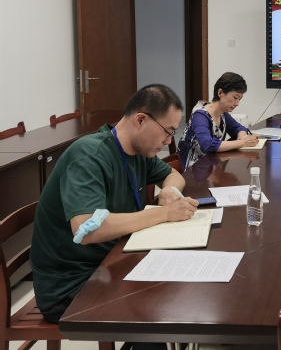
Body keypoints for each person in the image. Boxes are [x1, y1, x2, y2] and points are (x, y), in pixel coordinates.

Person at [30, 84, 199, 323]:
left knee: (181, 283)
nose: (168, 141)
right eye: (167, 132)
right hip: (71, 283)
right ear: (140, 120)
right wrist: (164, 213)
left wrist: (169, 191)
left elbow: (174, 175)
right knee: (158, 302)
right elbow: (87, 228)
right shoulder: (90, 155)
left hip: (112, 260)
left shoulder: (138, 152)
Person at [178, 72, 258, 170]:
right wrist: (243, 142)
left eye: (239, 99)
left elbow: (237, 127)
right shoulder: (200, 115)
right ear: (220, 93)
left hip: (211, 166)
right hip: (193, 170)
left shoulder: (222, 113)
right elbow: (207, 145)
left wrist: (242, 135)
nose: (237, 103)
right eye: (235, 97)